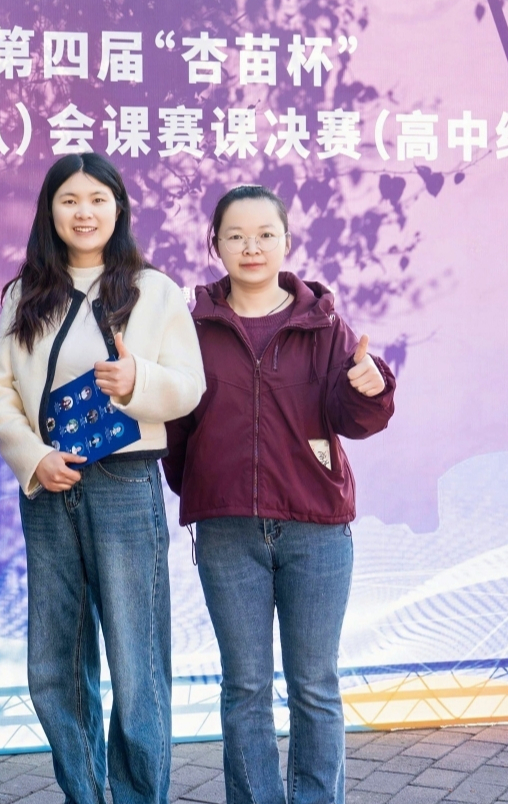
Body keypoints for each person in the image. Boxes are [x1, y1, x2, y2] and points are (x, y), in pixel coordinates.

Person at [0, 153, 205, 804]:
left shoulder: (154, 291)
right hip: (50, 488)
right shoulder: (25, 295)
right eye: (70, 200)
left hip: (125, 486)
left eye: (98, 199)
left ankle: (137, 795)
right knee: (55, 664)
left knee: (137, 663)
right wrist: (33, 458)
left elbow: (189, 386)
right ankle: (83, 792)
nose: (84, 212)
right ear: (50, 211)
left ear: (119, 208)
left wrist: (139, 382)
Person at [166, 184, 395, 804]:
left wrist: (370, 385)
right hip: (227, 531)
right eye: (237, 235)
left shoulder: (324, 326)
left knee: (314, 685)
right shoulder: (192, 328)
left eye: (266, 234)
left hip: (315, 528)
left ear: (286, 242)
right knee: (244, 687)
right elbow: (177, 427)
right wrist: (205, 487)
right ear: (215, 244)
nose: (252, 247)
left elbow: (354, 417)